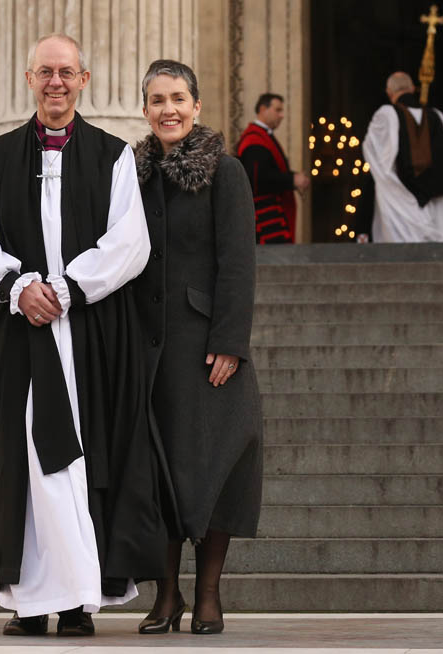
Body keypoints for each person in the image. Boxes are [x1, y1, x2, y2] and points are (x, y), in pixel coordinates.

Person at [0, 34, 168, 637]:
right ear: (29, 79)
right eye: (45, 72)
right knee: (25, 460)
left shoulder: (112, 156)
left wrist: (68, 288)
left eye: (66, 72)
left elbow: (131, 242)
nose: (56, 82)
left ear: (83, 80)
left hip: (90, 331)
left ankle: (76, 601)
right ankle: (28, 601)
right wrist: (18, 286)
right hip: (18, 333)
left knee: (85, 456)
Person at [132, 59, 264, 635]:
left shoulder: (225, 172)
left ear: (197, 106)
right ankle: (167, 595)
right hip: (148, 349)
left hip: (208, 350)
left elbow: (238, 262)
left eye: (178, 99)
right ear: (145, 110)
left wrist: (230, 342)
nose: (169, 110)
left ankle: (209, 593)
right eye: (158, 100)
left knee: (216, 467)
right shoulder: (130, 177)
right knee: (156, 471)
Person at [359, 71, 443, 242]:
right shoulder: (437, 117)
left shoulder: (386, 116)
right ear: (412, 89)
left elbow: (378, 163)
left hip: (400, 211)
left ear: (389, 92)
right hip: (441, 214)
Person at [236, 93, 310, 243]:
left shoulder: (263, 136)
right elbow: (258, 179)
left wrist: (294, 177)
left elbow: (272, 171)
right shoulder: (254, 140)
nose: (282, 115)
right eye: (278, 110)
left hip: (272, 212)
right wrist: (292, 180)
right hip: (265, 217)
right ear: (263, 109)